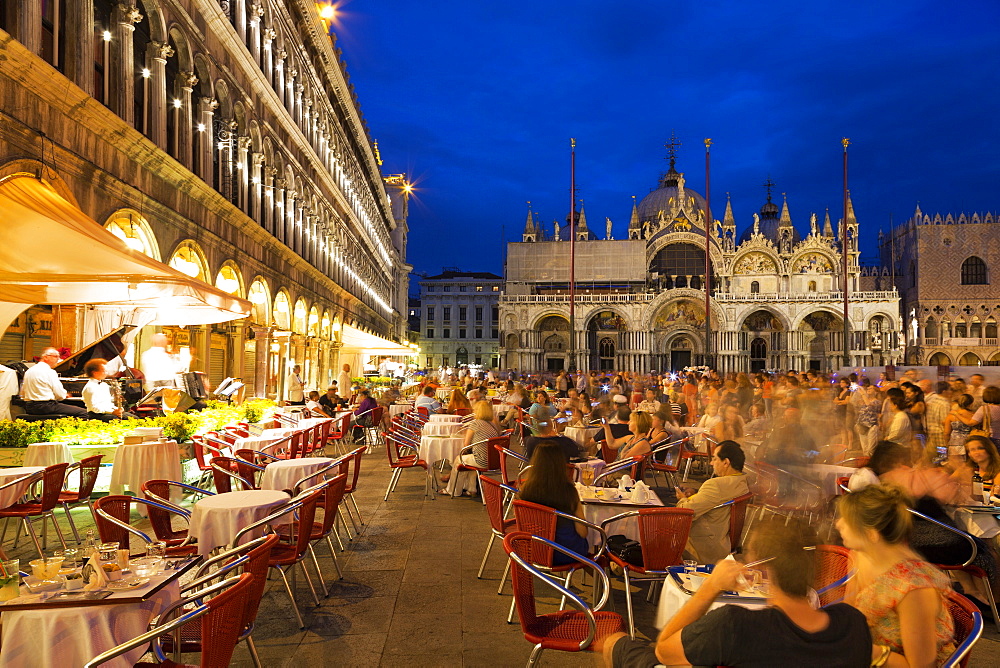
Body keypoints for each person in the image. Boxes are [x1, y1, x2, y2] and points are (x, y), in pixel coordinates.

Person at [602, 516, 871, 668]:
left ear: (761, 569)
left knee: (615, 643)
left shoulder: (735, 626)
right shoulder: (854, 625)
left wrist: (711, 586)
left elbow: (664, 652)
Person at [837, 484, 956, 666]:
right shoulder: (860, 555)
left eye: (846, 519)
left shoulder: (914, 587)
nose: (838, 524)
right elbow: (851, 611)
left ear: (871, 534)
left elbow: (922, 666)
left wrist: (865, 649)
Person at [675, 440, 750, 563]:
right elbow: (718, 498)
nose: (711, 463)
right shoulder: (741, 481)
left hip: (700, 547)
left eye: (715, 459)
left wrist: (682, 498)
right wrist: (696, 493)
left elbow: (684, 512)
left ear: (726, 462)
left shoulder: (715, 484)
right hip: (723, 542)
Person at [516, 441, 589, 565]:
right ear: (560, 463)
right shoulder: (569, 491)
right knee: (596, 542)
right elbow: (583, 532)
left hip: (534, 549)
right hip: (567, 553)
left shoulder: (525, 489)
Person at [444, 400, 502, 495]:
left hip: (482, 461)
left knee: (459, 460)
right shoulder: (493, 425)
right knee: (470, 459)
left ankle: (452, 490)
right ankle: (471, 489)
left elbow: (466, 445)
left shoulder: (475, 424)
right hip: (494, 460)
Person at [20, 348, 88, 417]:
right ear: (46, 357)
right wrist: (65, 395)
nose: (58, 359)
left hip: (29, 406)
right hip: (46, 406)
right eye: (55, 356)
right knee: (84, 413)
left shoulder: (29, 371)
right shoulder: (49, 372)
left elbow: (22, 392)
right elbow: (59, 394)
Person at [952, 434, 1000, 501]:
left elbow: (994, 496)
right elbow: (947, 484)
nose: (976, 452)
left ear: (989, 449)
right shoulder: (966, 468)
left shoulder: (997, 470)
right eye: (972, 450)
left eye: (980, 448)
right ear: (969, 454)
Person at [944, 393, 977, 465]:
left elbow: (946, 433)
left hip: (954, 443)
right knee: (969, 465)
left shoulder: (951, 416)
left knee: (956, 466)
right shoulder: (974, 415)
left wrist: (947, 444)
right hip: (970, 443)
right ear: (971, 403)